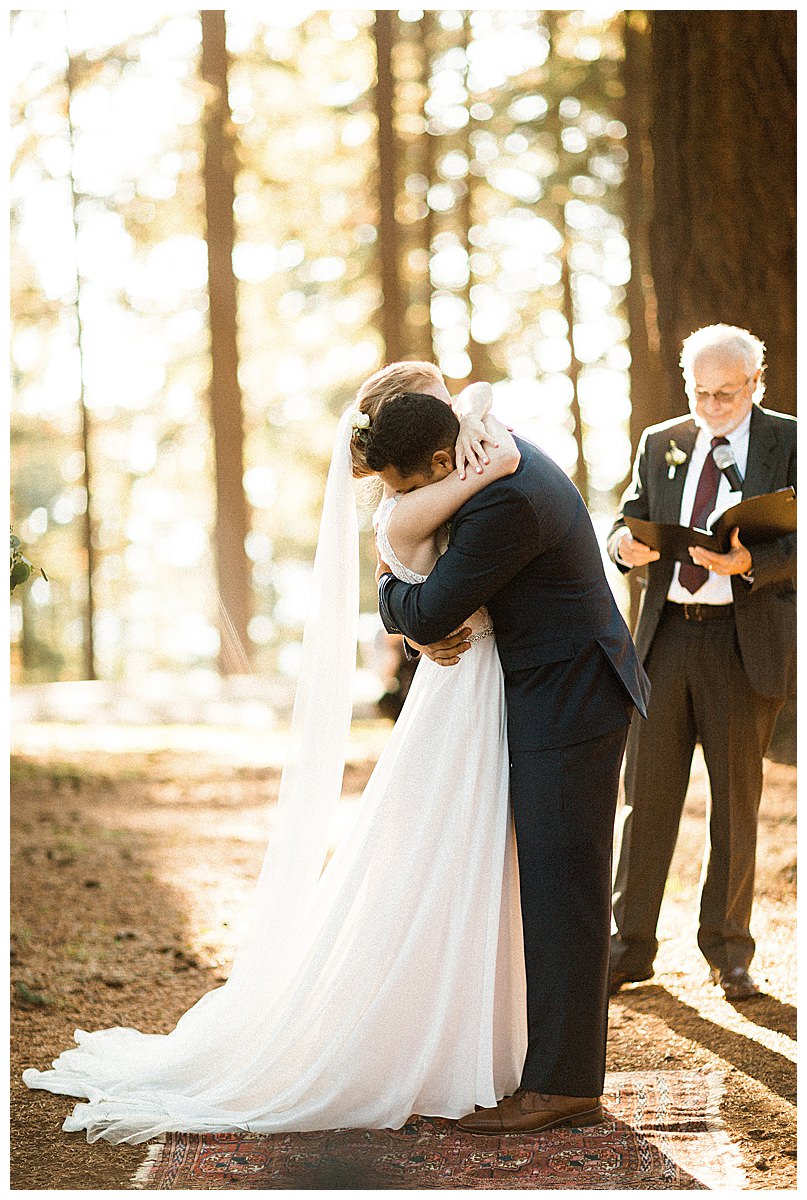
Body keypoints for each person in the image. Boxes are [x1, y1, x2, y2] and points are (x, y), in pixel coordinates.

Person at [23, 366, 531, 1144]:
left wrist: (415, 616)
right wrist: (425, 607)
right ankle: (429, 1033)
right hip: (467, 683)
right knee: (446, 848)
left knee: (462, 850)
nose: (450, 410)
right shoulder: (427, 492)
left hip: (468, 682)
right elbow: (474, 485)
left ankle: (476, 1029)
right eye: (429, 399)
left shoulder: (407, 497)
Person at [376, 398, 650, 1135]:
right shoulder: (485, 459)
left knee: (566, 889)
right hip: (549, 688)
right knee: (547, 885)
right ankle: (543, 1060)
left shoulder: (505, 501)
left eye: (405, 486)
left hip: (572, 699)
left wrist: (387, 592)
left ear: (440, 464)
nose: (407, 502)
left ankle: (564, 1086)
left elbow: (431, 612)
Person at [607, 324, 796, 1001]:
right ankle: (628, 948)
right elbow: (626, 517)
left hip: (742, 643)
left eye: (725, 394)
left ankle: (727, 950)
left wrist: (755, 563)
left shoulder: (789, 440)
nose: (711, 406)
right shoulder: (661, 441)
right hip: (665, 640)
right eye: (699, 393)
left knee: (734, 803)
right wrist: (622, 546)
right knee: (645, 799)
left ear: (756, 385)